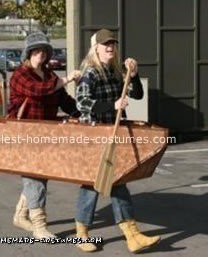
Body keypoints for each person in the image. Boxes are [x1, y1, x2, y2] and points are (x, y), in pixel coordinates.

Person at [74, 29, 161, 253]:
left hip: (112, 134)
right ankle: (82, 233)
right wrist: (111, 106)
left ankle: (131, 234)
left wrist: (133, 75)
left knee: (116, 180)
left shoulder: (115, 71)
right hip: (92, 135)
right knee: (92, 184)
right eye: (105, 45)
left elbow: (137, 94)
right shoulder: (90, 73)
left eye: (112, 43)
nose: (110, 47)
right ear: (96, 48)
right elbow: (81, 102)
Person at [8, 31, 80, 239]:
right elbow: (38, 91)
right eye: (36, 50)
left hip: (46, 134)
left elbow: (64, 101)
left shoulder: (49, 75)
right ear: (28, 53)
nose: (41, 54)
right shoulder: (20, 75)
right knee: (35, 178)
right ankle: (39, 226)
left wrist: (82, 113)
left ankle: (21, 215)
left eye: (44, 51)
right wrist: (67, 79)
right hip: (25, 133)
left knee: (38, 176)